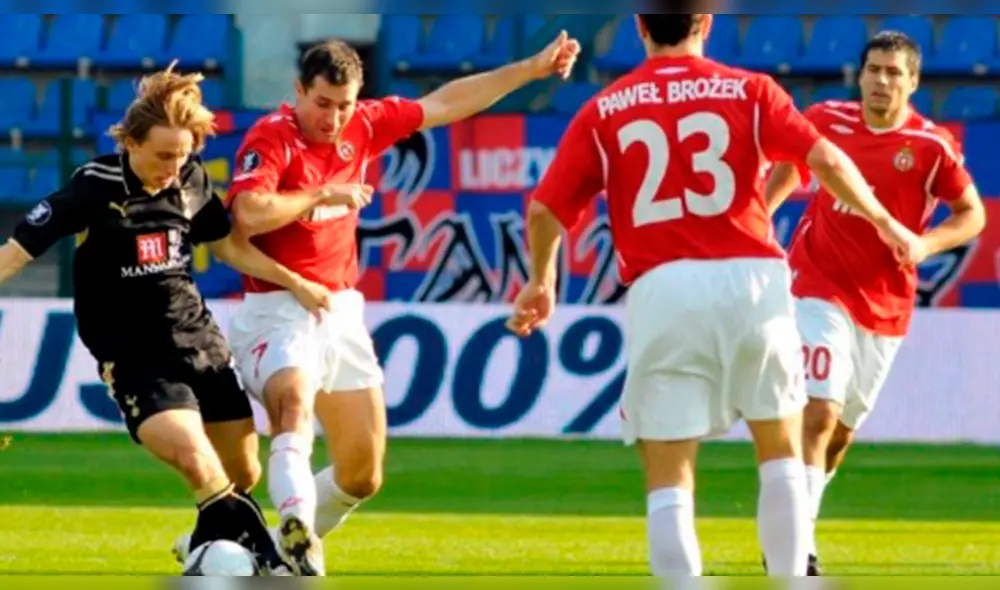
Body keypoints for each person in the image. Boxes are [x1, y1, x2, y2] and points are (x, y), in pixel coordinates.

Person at [506, 12, 923, 578]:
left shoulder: (606, 108)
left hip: (663, 286)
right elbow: (823, 159)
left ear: (640, 26)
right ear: (704, 22)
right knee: (780, 450)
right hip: (753, 280)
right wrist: (884, 220)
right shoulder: (751, 90)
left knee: (669, 474)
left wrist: (541, 279)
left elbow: (544, 210)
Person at [173, 35, 580, 576]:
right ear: (299, 90)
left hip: (339, 311)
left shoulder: (365, 123)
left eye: (344, 105)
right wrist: (320, 195)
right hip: (276, 306)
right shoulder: (273, 136)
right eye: (322, 103)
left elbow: (447, 102)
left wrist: (530, 69)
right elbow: (248, 212)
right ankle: (297, 527)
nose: (334, 118)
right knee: (293, 403)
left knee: (362, 474)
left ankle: (263, 546)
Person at [0, 63, 328, 575]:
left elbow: (228, 247)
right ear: (130, 143)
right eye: (162, 156)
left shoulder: (192, 178)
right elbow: (17, 251)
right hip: (135, 357)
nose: (173, 167)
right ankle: (269, 552)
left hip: (200, 342)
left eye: (182, 154)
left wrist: (297, 282)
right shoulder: (95, 184)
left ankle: (203, 547)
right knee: (197, 460)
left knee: (241, 472)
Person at [764, 31, 985, 575]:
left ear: (912, 83)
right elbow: (792, 162)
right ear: (858, 76)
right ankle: (794, 552)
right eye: (874, 71)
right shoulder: (824, 119)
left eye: (894, 73)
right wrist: (761, 213)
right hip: (816, 283)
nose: (882, 81)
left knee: (839, 436)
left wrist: (924, 244)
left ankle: (797, 525)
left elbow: (972, 214)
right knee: (819, 413)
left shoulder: (932, 147)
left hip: (885, 303)